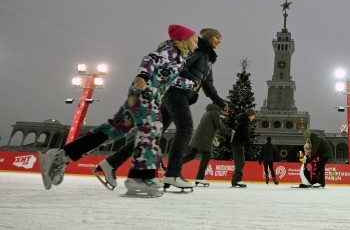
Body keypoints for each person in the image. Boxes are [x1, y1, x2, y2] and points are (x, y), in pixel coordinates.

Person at [40, 24, 199, 197]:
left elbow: (168, 79)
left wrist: (190, 84)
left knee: (113, 131)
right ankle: (141, 177)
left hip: (140, 96)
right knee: (152, 128)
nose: (197, 45)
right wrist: (143, 75)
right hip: (145, 94)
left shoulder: (178, 59)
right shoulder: (171, 51)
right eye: (195, 40)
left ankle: (61, 156)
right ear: (184, 39)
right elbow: (150, 60)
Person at [93, 27, 228, 191]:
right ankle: (172, 174)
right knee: (185, 129)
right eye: (217, 37)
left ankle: (111, 163)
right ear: (207, 38)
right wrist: (192, 79)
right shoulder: (197, 51)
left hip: (182, 96)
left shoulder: (208, 60)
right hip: (176, 93)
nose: (219, 41)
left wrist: (220, 103)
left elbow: (208, 86)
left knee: (151, 134)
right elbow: (180, 66)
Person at [182, 103, 233, 187]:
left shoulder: (209, 111)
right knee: (206, 156)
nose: (227, 112)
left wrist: (214, 137)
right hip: (204, 138)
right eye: (226, 110)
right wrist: (230, 130)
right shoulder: (215, 112)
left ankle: (174, 166)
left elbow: (209, 126)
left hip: (198, 137)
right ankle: (200, 178)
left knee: (191, 155)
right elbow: (219, 126)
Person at [230, 108, 256, 187]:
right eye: (253, 116)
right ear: (250, 115)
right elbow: (246, 134)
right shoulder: (245, 122)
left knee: (239, 162)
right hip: (238, 143)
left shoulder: (243, 120)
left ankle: (235, 181)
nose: (254, 118)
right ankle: (237, 180)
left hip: (237, 143)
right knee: (240, 162)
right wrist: (248, 146)